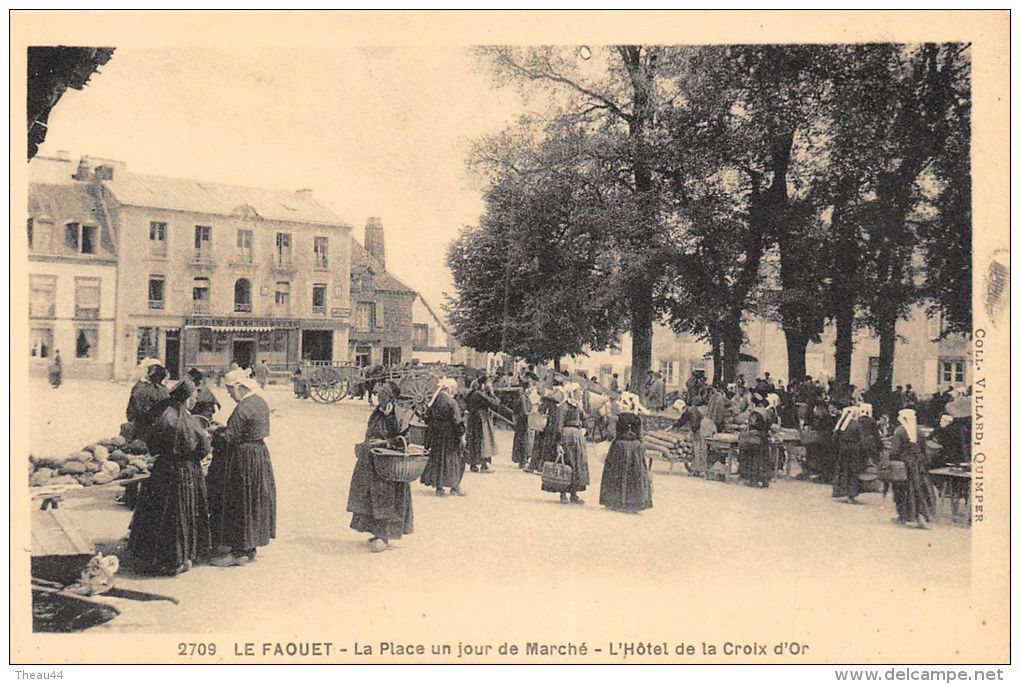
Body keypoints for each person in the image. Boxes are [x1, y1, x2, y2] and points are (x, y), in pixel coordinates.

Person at [128, 378, 211, 576]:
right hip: (187, 473)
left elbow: (152, 445)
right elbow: (203, 449)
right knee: (181, 515)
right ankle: (180, 559)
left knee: (161, 516)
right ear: (187, 398)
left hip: (163, 471)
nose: (196, 399)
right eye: (194, 396)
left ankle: (161, 558)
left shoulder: (165, 416)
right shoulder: (190, 421)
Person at [208, 372, 277, 567]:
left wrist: (214, 435)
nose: (229, 394)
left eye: (230, 390)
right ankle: (249, 548)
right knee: (253, 502)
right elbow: (242, 430)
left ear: (240, 387)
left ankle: (238, 553)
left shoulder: (244, 407)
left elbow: (231, 437)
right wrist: (225, 430)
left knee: (240, 502)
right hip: (258, 455)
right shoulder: (259, 402)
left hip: (244, 459)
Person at [347, 382, 413, 552]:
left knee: (387, 499)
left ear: (390, 397)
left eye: (383, 395)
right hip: (371, 462)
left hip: (388, 464)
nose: (379, 397)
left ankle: (384, 536)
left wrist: (386, 442)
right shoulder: (377, 412)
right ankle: (377, 532)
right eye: (379, 395)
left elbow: (406, 440)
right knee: (370, 497)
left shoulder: (399, 415)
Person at [599, 394, 652, 513]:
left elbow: (611, 434)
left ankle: (616, 501)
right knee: (635, 474)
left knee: (616, 473)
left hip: (620, 447)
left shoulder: (616, 418)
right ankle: (633, 502)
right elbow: (640, 436)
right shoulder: (637, 419)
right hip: (635, 448)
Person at [885, 408, 936, 529]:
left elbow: (895, 450)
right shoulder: (918, 431)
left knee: (902, 490)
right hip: (918, 464)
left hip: (905, 464)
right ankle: (919, 516)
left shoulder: (900, 431)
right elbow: (924, 448)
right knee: (918, 489)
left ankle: (903, 516)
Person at [543, 383, 590, 504]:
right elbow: (559, 426)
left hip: (577, 438)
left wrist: (585, 429)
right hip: (566, 438)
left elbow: (586, 419)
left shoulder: (578, 406)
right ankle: (563, 493)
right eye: (578, 391)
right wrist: (559, 444)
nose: (580, 394)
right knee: (566, 465)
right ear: (572, 392)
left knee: (577, 466)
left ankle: (574, 493)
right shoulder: (563, 407)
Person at [421, 378, 466, 496]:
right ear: (449, 388)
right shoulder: (452, 402)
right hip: (450, 436)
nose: (455, 392)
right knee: (453, 460)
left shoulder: (435, 400)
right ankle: (454, 487)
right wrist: (462, 437)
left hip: (436, 435)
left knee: (438, 460)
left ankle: (439, 488)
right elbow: (457, 421)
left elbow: (427, 417)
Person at [126, 364, 171, 442]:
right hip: (156, 429)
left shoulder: (139, 387)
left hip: (137, 427)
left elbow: (130, 412)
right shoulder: (165, 391)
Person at [831, 406, 866, 504]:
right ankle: (851, 494)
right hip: (853, 450)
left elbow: (834, 438)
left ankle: (840, 491)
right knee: (852, 472)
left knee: (842, 470)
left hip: (843, 450)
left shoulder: (841, 424)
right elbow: (862, 440)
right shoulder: (856, 425)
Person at [464, 378, 499, 473]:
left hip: (473, 420)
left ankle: (473, 465)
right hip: (481, 420)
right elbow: (495, 403)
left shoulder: (472, 394)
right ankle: (483, 466)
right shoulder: (479, 394)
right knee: (484, 441)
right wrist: (491, 392)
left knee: (474, 442)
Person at [675, 399, 714, 477]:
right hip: (697, 427)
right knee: (696, 448)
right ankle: (696, 468)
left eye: (677, 409)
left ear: (682, 408)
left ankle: (701, 470)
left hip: (702, 427)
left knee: (700, 448)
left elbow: (695, 424)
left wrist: (690, 433)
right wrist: (675, 425)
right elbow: (681, 420)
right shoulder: (687, 411)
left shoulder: (691, 411)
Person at [740, 400, 774, 488]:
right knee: (764, 459)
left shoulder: (755, 413)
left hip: (755, 438)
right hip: (764, 438)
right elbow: (768, 426)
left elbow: (752, 425)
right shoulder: (767, 412)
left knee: (753, 459)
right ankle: (765, 481)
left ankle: (753, 481)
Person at [510, 382, 534, 470]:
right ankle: (522, 461)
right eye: (530, 389)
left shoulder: (525, 398)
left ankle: (523, 460)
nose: (531, 391)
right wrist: (532, 414)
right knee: (523, 441)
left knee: (523, 440)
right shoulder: (523, 398)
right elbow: (524, 411)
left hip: (522, 421)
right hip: (522, 422)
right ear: (526, 389)